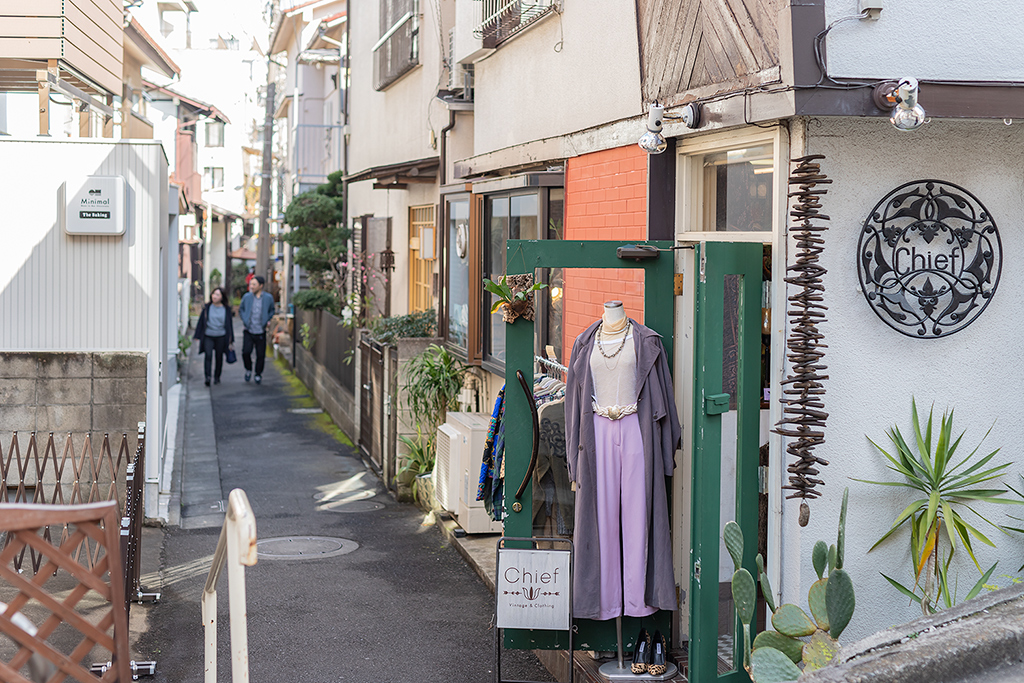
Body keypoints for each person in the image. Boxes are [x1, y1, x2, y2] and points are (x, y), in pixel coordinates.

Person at [193, 287, 235, 387]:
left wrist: (231, 339)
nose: (214, 296)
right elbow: (201, 322)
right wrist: (197, 335)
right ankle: (207, 377)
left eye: (217, 295)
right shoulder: (207, 307)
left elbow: (229, 325)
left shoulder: (226, 309)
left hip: (221, 336)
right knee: (208, 355)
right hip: (208, 335)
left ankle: (217, 376)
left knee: (219, 357)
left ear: (222, 297)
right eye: (213, 294)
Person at [239, 275, 276, 384]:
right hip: (248, 330)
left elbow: (272, 310)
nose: (251, 286)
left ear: (261, 286)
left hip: (261, 330)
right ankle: (248, 369)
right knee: (246, 352)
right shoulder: (247, 297)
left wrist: (267, 319)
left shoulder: (268, 298)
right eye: (251, 284)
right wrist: (245, 319)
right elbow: (241, 309)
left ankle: (258, 374)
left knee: (260, 354)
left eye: (254, 284)